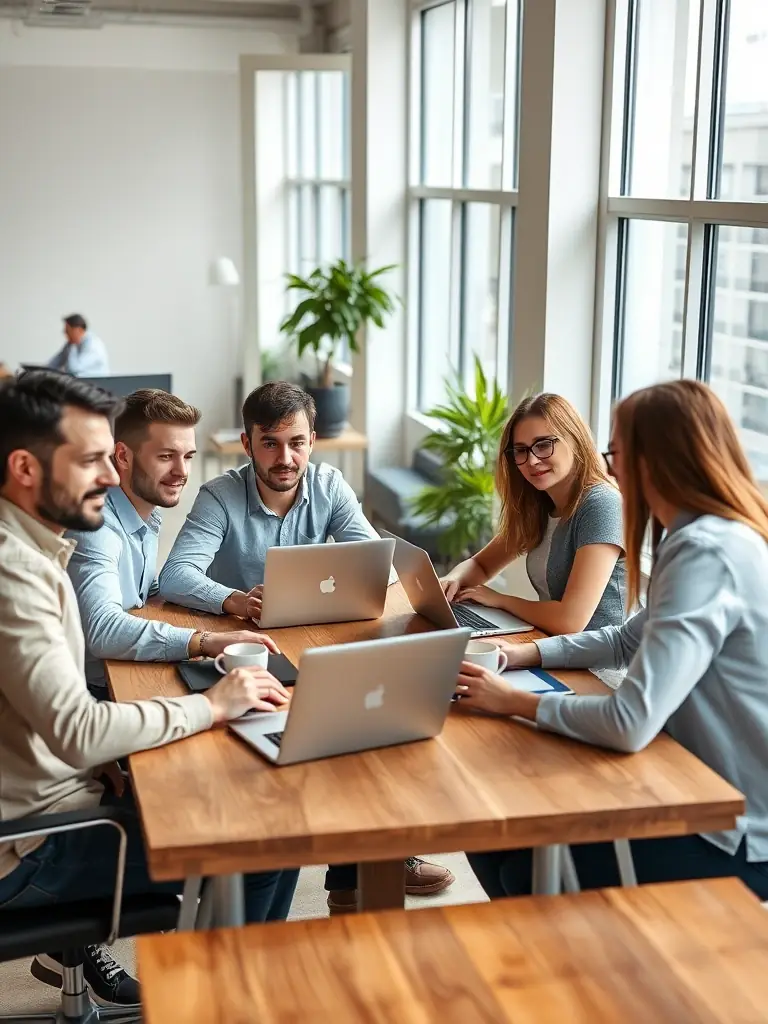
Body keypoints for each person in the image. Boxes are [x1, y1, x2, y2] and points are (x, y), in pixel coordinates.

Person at [0, 370, 298, 1008]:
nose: (109, 478)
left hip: (53, 795)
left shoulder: (32, 548)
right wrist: (211, 703)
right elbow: (78, 724)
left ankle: (234, 990)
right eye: (90, 461)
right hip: (27, 847)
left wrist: (99, 758)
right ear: (26, 468)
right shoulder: (16, 572)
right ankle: (228, 1004)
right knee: (262, 841)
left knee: (244, 808)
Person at [455, 379, 768, 902]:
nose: (612, 466)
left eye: (617, 451)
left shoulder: (705, 554)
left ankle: (588, 972)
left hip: (735, 825)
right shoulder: (702, 541)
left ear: (655, 460)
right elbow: (625, 640)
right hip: (687, 782)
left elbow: (629, 722)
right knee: (492, 837)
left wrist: (515, 701)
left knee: (522, 867)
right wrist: (519, 654)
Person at [159, 379, 455, 910]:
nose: (285, 457)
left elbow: (376, 557)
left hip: (322, 638)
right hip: (253, 647)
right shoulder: (219, 496)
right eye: (269, 443)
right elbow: (176, 575)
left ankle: (361, 870)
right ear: (247, 445)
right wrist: (234, 601)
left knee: (374, 723)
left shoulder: (330, 484)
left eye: (296, 442)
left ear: (313, 440)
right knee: (284, 752)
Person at [67, 388, 279, 698]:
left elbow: (146, 591)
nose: (181, 472)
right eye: (166, 456)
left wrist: (235, 604)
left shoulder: (142, 513)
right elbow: (103, 629)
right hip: (93, 695)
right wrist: (203, 641)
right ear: (123, 456)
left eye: (188, 456)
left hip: (126, 671)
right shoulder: (96, 526)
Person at [440, 392, 626, 637]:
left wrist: (501, 600)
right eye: (521, 450)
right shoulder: (539, 503)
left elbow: (570, 621)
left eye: (543, 445)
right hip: (554, 647)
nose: (532, 460)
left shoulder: (602, 504)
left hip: (598, 666)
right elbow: (481, 565)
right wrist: (452, 579)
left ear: (574, 439)